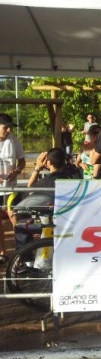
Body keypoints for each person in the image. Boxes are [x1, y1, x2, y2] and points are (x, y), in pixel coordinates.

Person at [0, 113, 26, 264]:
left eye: (10, 127)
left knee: (14, 217)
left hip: (11, 187)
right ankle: (2, 252)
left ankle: (21, 252)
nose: (9, 130)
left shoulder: (13, 140)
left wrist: (16, 171)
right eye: (6, 127)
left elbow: (22, 161)